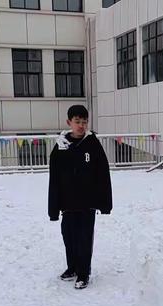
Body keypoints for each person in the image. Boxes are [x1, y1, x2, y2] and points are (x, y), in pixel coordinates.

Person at [48, 105, 112, 290]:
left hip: (87, 203)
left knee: (84, 238)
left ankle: (83, 273)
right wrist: (54, 207)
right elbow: (54, 178)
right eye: (77, 122)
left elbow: (103, 174)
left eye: (84, 122)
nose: (81, 125)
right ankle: (72, 267)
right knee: (69, 236)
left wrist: (104, 203)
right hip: (67, 203)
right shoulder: (61, 146)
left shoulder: (92, 144)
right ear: (69, 123)